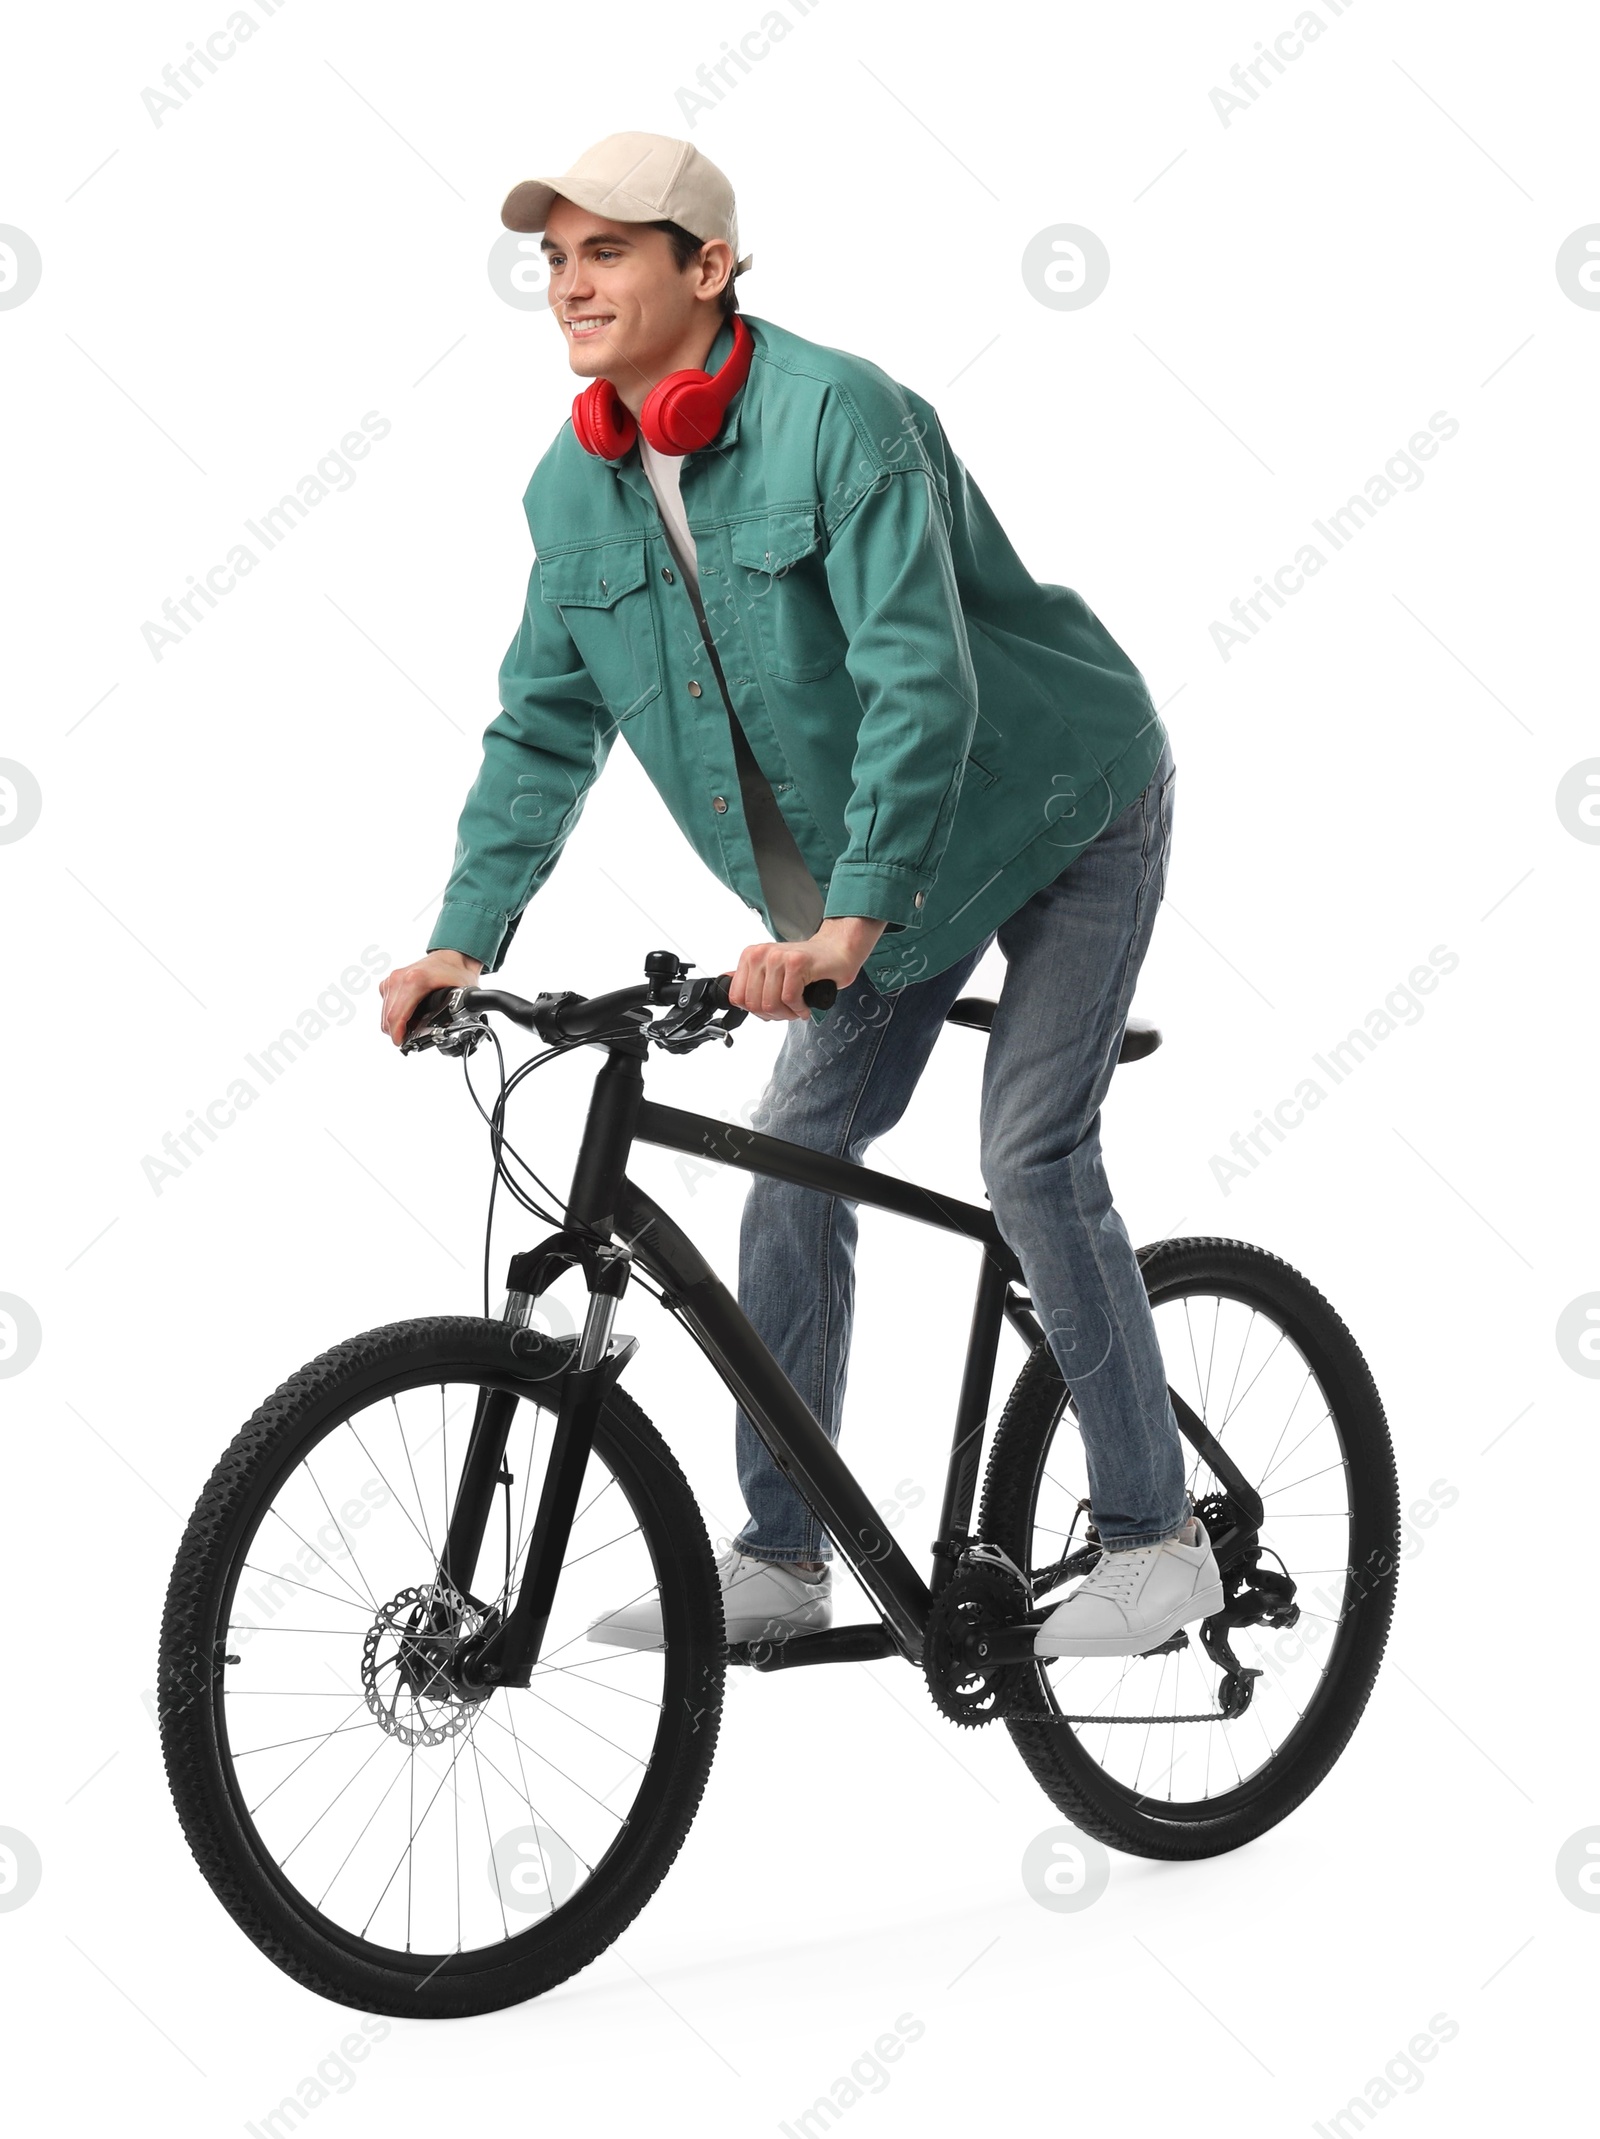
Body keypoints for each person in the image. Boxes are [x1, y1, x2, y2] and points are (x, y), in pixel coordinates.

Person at [378, 131, 1222, 1663]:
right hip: (876, 877)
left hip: (1064, 797)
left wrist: (850, 926)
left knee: (1030, 1154)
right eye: (553, 259)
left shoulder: (847, 418)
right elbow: (540, 730)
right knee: (790, 1160)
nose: (570, 283)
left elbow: (922, 681)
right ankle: (782, 1552)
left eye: (607, 252)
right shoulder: (572, 494)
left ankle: (1155, 1537)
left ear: (708, 269)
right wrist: (460, 940)